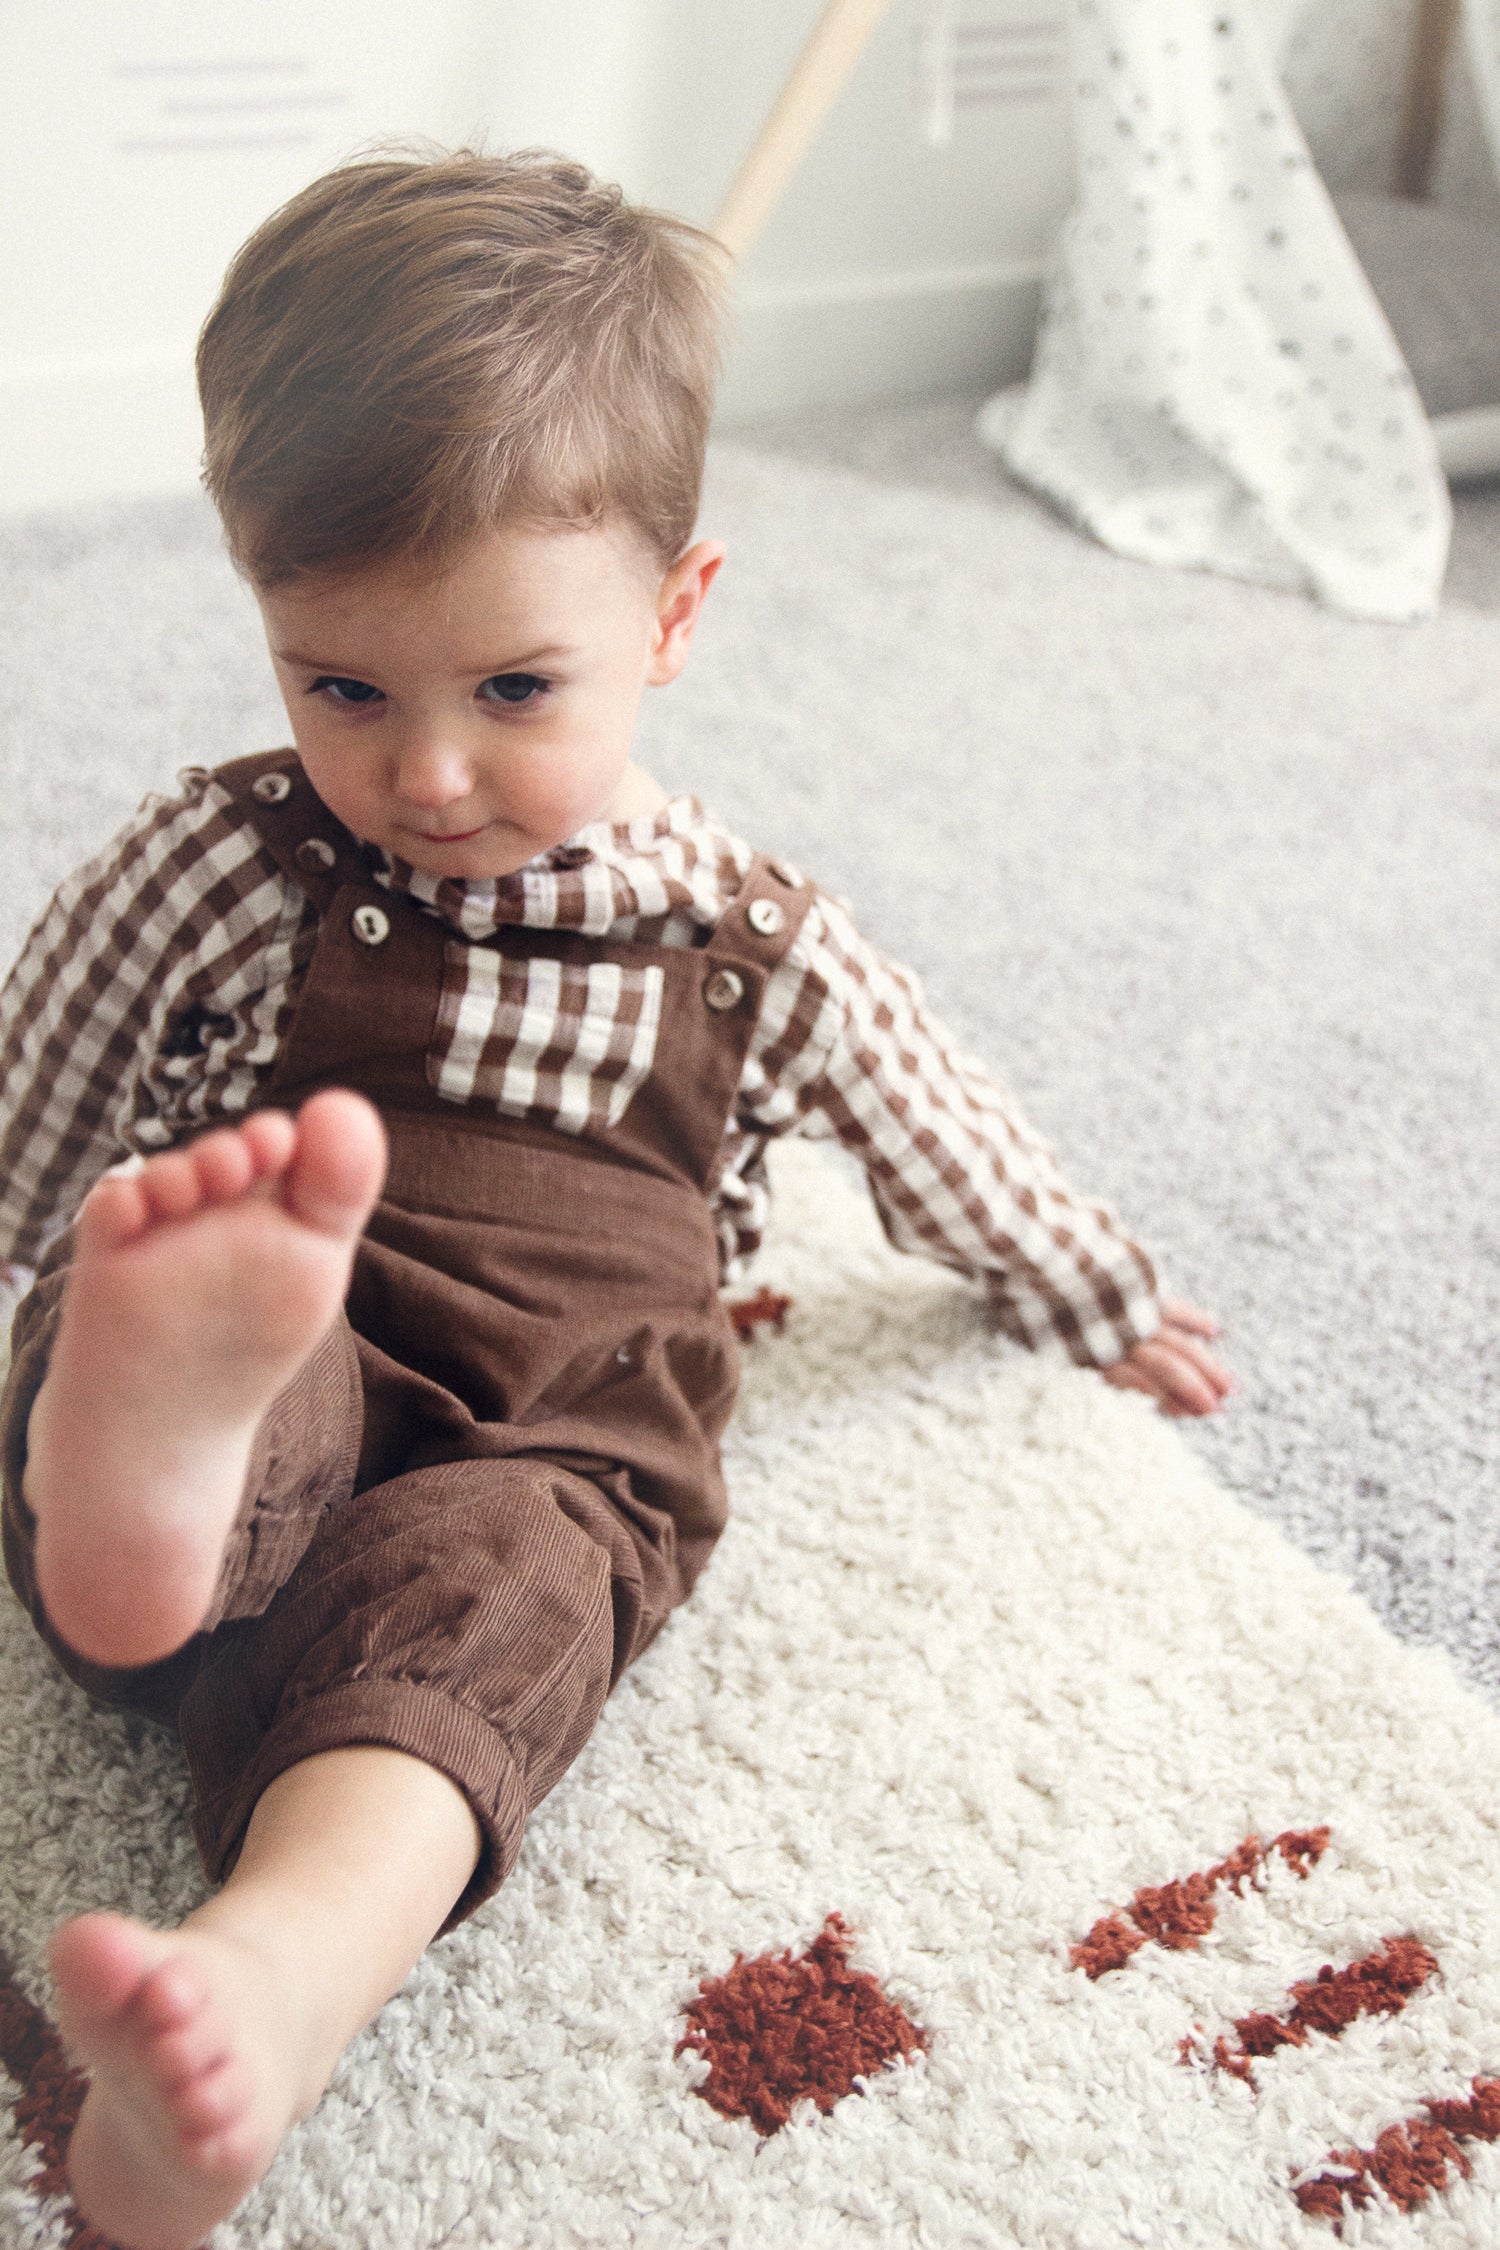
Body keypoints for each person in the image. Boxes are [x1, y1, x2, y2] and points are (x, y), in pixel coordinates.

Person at [0, 147, 1233, 2248]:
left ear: (673, 617)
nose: (425, 775)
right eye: (342, 688)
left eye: (512, 690)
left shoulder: (753, 942)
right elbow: (45, 1083)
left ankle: (267, 1982)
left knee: (502, 1607)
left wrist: (1086, 1285)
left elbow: (938, 1123)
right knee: (249, 1346)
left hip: (559, 1424)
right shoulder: (231, 860)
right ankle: (150, 1475)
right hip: (285, 1296)